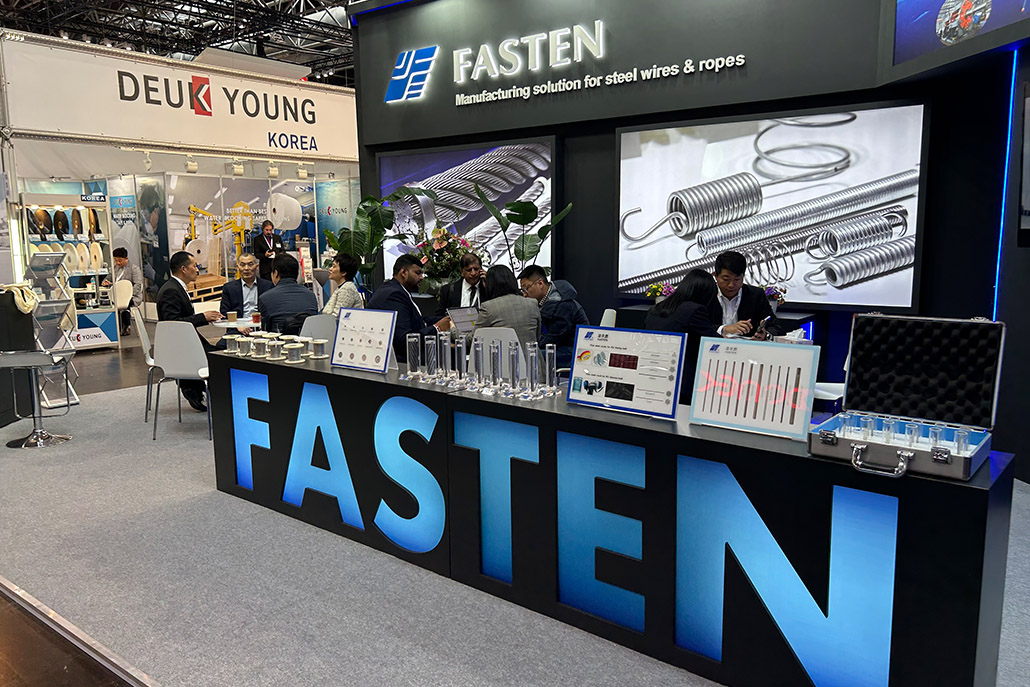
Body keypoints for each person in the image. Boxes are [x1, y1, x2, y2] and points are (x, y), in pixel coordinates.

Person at [156, 251, 223, 411]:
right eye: (194, 265)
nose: (197, 269)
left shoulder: (176, 287)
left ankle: (200, 390)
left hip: (187, 342)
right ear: (184, 269)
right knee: (221, 357)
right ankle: (195, 389)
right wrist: (203, 317)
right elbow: (172, 325)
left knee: (222, 349)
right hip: (181, 348)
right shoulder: (171, 291)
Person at [644, 268, 723, 404]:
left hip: (654, 376)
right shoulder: (694, 310)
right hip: (684, 383)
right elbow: (714, 343)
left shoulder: (656, 308)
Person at [366, 253, 452, 362]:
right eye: (418, 273)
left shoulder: (396, 289)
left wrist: (445, 320)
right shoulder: (394, 294)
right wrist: (437, 328)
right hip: (401, 362)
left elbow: (416, 320)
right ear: (403, 272)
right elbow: (405, 340)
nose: (421, 278)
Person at [518, 265, 589, 369]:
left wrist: (530, 344)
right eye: (522, 290)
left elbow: (553, 338)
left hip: (574, 351)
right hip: (559, 346)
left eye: (527, 288)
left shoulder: (562, 304)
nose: (524, 294)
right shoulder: (546, 301)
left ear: (540, 283)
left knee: (531, 356)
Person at [707, 251, 785, 339]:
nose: (731, 285)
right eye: (726, 279)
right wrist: (723, 329)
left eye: (737, 280)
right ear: (715, 276)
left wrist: (765, 334)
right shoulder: (706, 294)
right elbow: (698, 326)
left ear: (743, 277)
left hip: (747, 345)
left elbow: (775, 326)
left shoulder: (755, 295)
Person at [474, 265, 540, 350]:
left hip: (505, 357)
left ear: (490, 284)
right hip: (532, 357)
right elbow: (537, 336)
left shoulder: (488, 308)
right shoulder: (532, 303)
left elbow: (473, 338)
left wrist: (456, 331)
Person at [258, 253, 319, 334]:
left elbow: (265, 330)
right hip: (308, 340)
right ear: (297, 273)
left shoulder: (265, 298)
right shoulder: (311, 295)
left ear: (275, 273)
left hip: (278, 340)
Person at [220, 253, 273, 335]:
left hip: (261, 329)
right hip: (237, 329)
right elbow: (224, 313)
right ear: (237, 267)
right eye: (242, 265)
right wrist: (237, 325)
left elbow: (272, 311)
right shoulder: (229, 288)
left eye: (250, 264)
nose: (246, 268)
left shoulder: (268, 286)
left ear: (257, 266)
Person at [103, 247, 143, 336]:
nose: (118, 263)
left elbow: (138, 285)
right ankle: (116, 327)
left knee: (125, 304)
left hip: (132, 296)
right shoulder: (114, 268)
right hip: (117, 295)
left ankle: (126, 325)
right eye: (116, 260)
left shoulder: (134, 269)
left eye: (120, 261)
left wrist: (128, 295)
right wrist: (106, 282)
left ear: (126, 259)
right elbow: (107, 278)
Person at [434, 253, 485, 318]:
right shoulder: (448, 290)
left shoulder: (488, 287)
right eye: (469, 270)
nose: (473, 273)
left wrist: (489, 283)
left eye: (476, 269)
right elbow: (439, 317)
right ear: (462, 272)